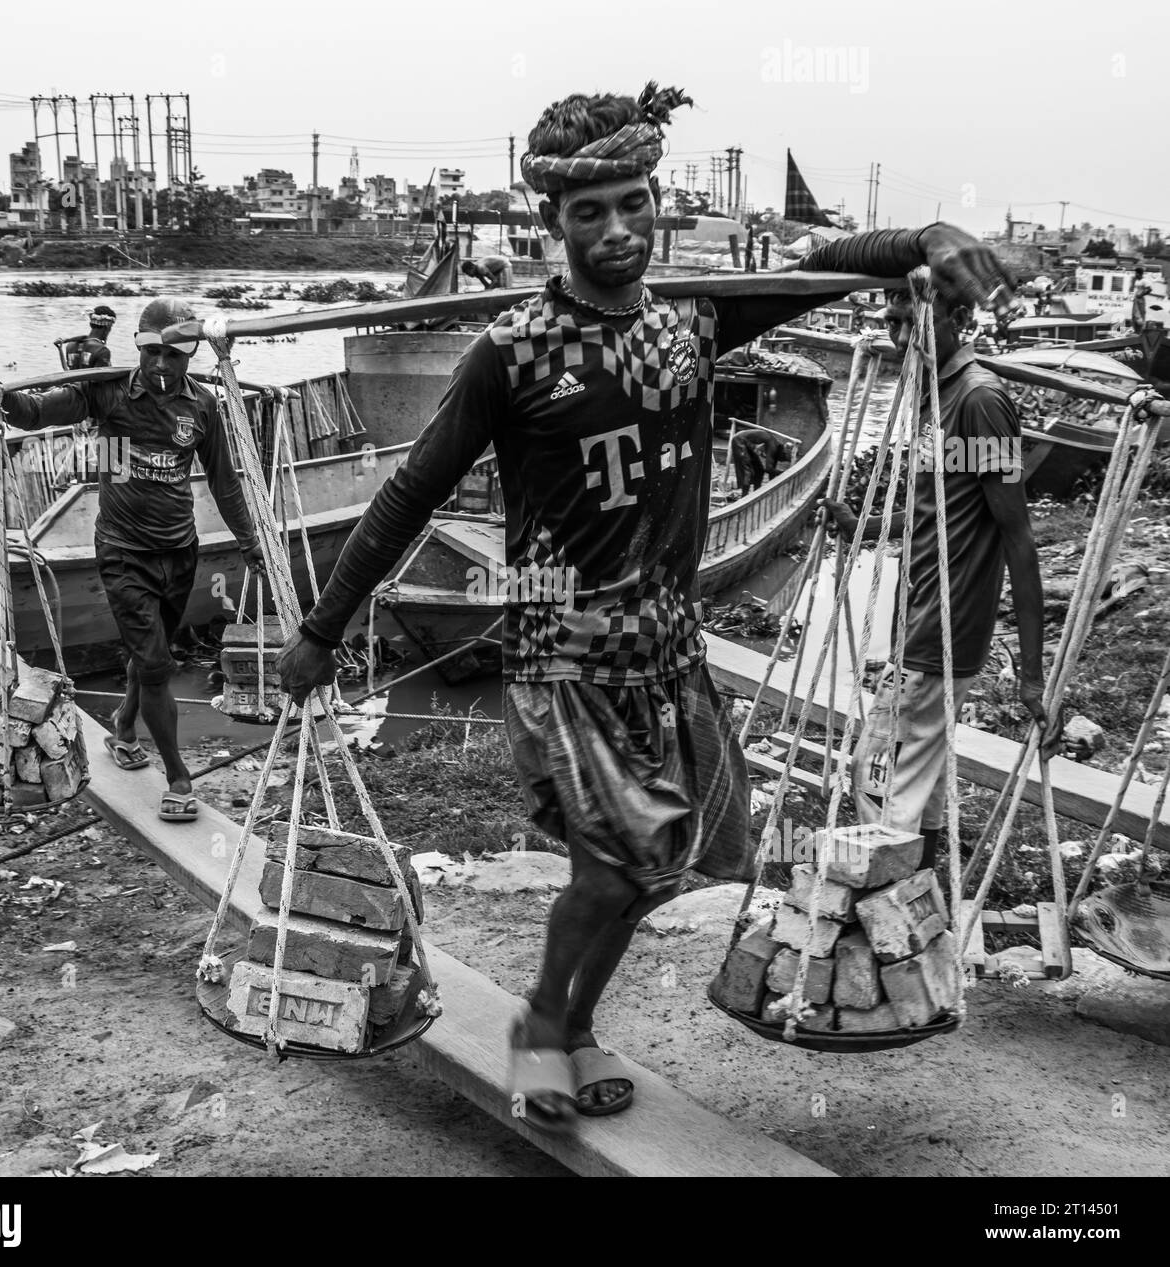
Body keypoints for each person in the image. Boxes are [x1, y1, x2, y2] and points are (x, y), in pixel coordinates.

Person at [274, 80, 1019, 1131]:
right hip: (563, 652)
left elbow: (834, 263)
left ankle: (571, 1028)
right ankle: (542, 1027)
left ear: (654, 199)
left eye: (634, 202)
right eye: (591, 212)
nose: (618, 229)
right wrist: (319, 630)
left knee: (655, 868)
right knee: (610, 860)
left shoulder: (691, 320)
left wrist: (931, 235)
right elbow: (411, 493)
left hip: (667, 648)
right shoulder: (514, 352)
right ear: (552, 223)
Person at [0, 297, 265, 823]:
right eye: (151, 352)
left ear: (190, 353)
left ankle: (122, 727)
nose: (161, 365)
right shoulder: (107, 392)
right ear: (137, 344)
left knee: (154, 654)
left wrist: (250, 541)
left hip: (179, 547)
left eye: (175, 354)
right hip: (123, 549)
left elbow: (225, 480)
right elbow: (34, 411)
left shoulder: (203, 408)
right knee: (155, 665)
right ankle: (179, 776)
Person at [821, 287, 1059, 870]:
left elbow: (1016, 536)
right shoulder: (933, 392)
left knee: (876, 779)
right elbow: (944, 505)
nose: (901, 339)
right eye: (893, 323)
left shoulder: (979, 402)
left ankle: (891, 919)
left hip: (945, 629)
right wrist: (869, 524)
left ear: (960, 317)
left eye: (913, 324)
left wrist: (1033, 677)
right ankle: (923, 912)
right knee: (916, 787)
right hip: (920, 615)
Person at [57, 305, 117, 369]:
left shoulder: (70, 346)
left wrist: (60, 350)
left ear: (90, 324)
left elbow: (69, 373)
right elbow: (105, 377)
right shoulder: (102, 351)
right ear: (108, 327)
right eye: (111, 326)